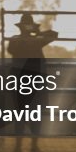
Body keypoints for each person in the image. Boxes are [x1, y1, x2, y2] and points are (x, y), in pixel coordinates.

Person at [6, 14, 57, 143]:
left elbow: (54, 34)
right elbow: (53, 35)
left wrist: (36, 34)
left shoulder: (23, 39)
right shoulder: (33, 40)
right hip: (32, 78)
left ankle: (25, 141)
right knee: (30, 111)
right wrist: (36, 33)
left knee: (26, 111)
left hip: (24, 78)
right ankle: (30, 141)